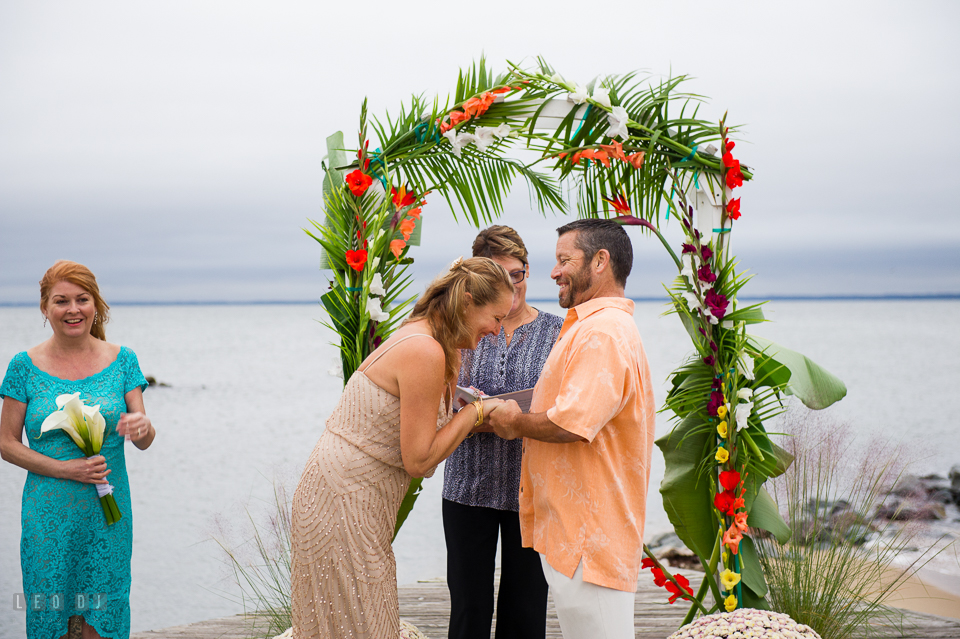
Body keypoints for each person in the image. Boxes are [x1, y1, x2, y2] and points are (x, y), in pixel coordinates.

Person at [290, 257, 515, 639]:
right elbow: (418, 459)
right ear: (467, 302)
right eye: (495, 317)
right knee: (360, 623)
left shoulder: (436, 342)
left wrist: (462, 412)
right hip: (343, 501)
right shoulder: (425, 350)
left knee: (357, 622)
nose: (497, 330)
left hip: (358, 499)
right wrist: (476, 412)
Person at [487, 219, 657, 639]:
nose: (554, 271)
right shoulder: (593, 326)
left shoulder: (603, 332)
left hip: (590, 538)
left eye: (565, 260)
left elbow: (572, 422)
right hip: (578, 534)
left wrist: (513, 421)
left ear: (601, 262)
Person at [0, 260, 155, 639]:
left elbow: (144, 439)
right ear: (45, 309)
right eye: (61, 301)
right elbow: (6, 444)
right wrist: (67, 470)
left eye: (82, 299)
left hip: (108, 517)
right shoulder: (23, 366)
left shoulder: (124, 361)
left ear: (96, 305)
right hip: (47, 516)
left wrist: (144, 427)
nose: (73, 309)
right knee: (49, 610)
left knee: (103, 612)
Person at [441, 226, 562, 639]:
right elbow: (437, 400)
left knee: (526, 612)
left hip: (531, 490)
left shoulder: (558, 332)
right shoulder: (455, 333)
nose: (512, 287)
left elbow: (568, 408)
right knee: (469, 609)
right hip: (466, 487)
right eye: (500, 277)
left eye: (519, 274)